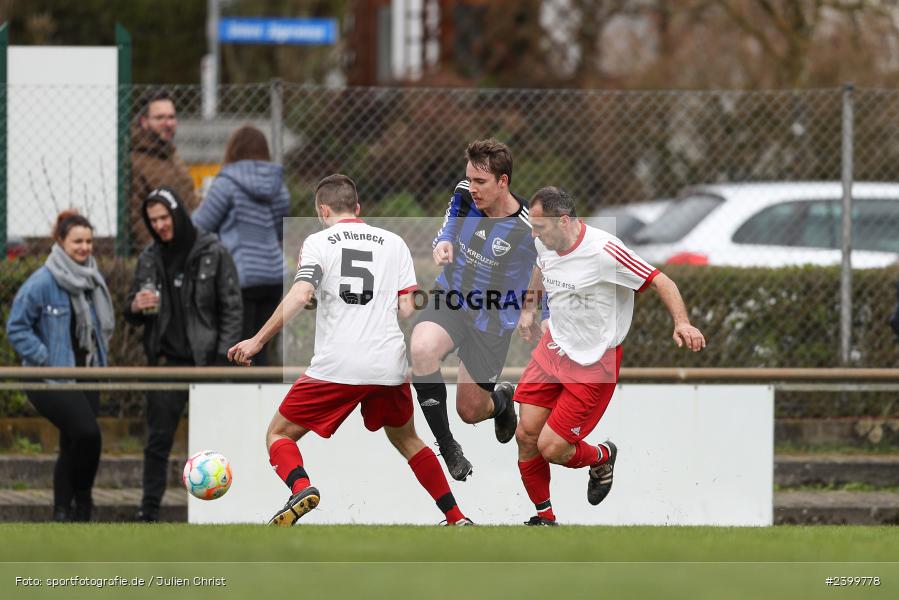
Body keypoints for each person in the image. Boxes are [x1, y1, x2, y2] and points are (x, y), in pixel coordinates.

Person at [228, 174, 472, 526]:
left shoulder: (317, 242)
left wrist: (257, 340)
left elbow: (300, 294)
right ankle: (456, 517)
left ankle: (300, 488)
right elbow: (406, 308)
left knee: (278, 434)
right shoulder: (394, 242)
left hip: (337, 366)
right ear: (357, 208)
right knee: (408, 441)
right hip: (388, 364)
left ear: (323, 209)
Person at [514, 187, 706, 526]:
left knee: (553, 448)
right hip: (554, 348)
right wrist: (529, 309)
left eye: (540, 227)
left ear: (563, 220)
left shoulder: (604, 250)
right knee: (526, 435)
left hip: (594, 363)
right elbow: (540, 269)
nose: (534, 234)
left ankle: (602, 456)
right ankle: (545, 518)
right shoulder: (545, 240)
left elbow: (662, 281)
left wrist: (683, 323)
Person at [409, 139, 537, 481]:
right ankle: (448, 446)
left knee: (470, 410)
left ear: (503, 181)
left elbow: (548, 270)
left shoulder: (529, 226)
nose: (473, 187)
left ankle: (502, 401)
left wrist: (531, 309)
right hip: (452, 297)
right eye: (470, 178)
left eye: (481, 181)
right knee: (421, 350)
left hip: (493, 319)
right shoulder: (464, 193)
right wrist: (444, 243)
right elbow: (450, 224)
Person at [124, 186, 243, 522]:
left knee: (216, 445)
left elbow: (232, 308)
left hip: (207, 364)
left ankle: (222, 513)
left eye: (164, 217)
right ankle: (147, 511)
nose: (160, 225)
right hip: (165, 363)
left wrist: (223, 359)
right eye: (153, 220)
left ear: (177, 213)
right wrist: (135, 305)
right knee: (157, 440)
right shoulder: (149, 257)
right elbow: (130, 310)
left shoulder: (213, 250)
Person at [6, 210, 115, 522]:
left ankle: (64, 513)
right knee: (88, 434)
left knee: (72, 443)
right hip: (49, 377)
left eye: (89, 241)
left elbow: (100, 328)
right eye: (77, 241)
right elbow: (17, 327)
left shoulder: (93, 278)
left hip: (88, 373)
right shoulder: (42, 282)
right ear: (60, 242)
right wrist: (45, 358)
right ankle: (83, 501)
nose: (84, 247)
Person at [192, 125, 291, 366]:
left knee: (236, 351)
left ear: (233, 150)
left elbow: (200, 226)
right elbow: (281, 229)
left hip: (239, 276)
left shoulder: (225, 184)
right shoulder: (278, 186)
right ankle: (264, 401)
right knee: (261, 349)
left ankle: (237, 399)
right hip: (274, 275)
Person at [130, 90, 198, 250]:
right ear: (144, 121)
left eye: (171, 117)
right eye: (160, 118)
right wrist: (159, 254)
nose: (168, 123)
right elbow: (136, 218)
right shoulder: (135, 160)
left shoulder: (173, 155)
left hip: (188, 246)